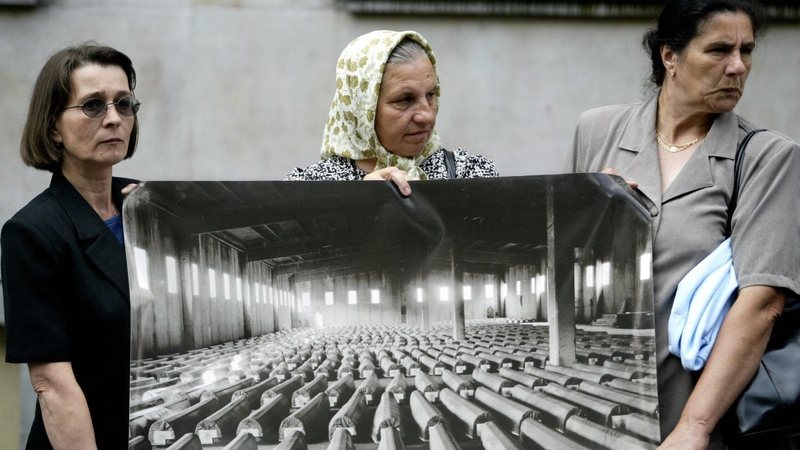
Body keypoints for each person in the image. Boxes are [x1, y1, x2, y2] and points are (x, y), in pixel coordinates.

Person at [563, 1, 800, 448]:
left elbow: (762, 301)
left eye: (746, 51)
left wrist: (694, 428)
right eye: (718, 51)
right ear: (669, 56)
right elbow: (561, 256)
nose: (737, 67)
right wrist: (590, 209)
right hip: (598, 402)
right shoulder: (597, 131)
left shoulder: (768, 157)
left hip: (692, 415)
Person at [2, 43, 141, 449]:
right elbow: (51, 383)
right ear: (53, 128)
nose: (114, 118)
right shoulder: (32, 232)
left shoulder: (150, 208)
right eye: (93, 106)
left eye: (124, 103)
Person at [285, 30, 498, 191]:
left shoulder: (469, 175)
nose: (428, 115)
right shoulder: (306, 191)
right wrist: (355, 202)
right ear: (362, 109)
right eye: (405, 99)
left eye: (431, 95)